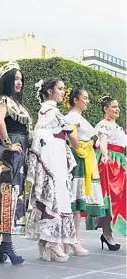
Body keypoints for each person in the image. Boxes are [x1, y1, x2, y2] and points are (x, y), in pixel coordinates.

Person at [0, 61, 33, 265]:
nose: (19, 82)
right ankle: (6, 242)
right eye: (15, 78)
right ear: (6, 81)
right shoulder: (4, 101)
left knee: (9, 194)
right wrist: (8, 143)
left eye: (21, 79)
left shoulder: (15, 103)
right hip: (9, 156)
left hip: (15, 156)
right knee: (9, 196)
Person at [25, 78, 79, 263]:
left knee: (54, 195)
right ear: (50, 91)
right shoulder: (53, 112)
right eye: (60, 88)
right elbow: (73, 139)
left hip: (53, 155)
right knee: (56, 195)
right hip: (53, 157)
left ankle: (46, 240)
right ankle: (51, 241)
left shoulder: (45, 111)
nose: (63, 92)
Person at [64, 88, 105, 256]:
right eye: (85, 98)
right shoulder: (72, 118)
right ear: (76, 100)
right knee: (73, 201)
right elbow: (72, 138)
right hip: (77, 159)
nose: (87, 101)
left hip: (83, 159)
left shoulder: (78, 117)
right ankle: (70, 239)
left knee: (77, 202)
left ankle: (74, 239)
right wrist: (81, 149)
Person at [90, 95, 126, 249]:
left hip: (120, 163)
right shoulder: (103, 125)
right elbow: (103, 140)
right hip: (109, 163)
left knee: (118, 200)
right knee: (108, 199)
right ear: (106, 109)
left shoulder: (117, 127)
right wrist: (105, 156)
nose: (117, 109)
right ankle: (107, 233)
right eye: (114, 106)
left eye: (118, 106)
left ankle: (108, 233)